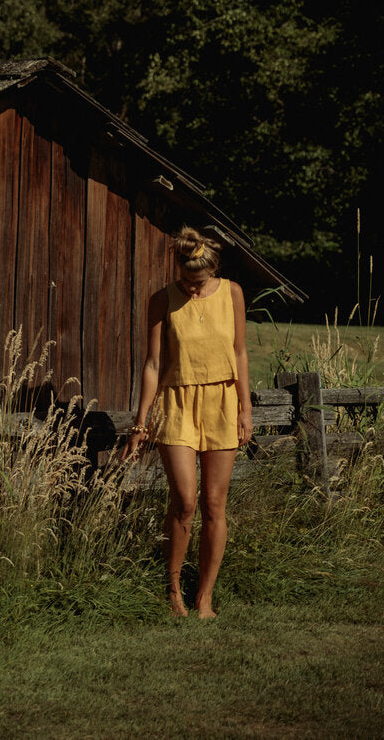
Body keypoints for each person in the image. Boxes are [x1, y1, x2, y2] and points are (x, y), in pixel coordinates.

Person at [120, 226, 253, 618]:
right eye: (187, 280)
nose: (193, 289)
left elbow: (241, 353)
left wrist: (246, 407)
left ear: (212, 271)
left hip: (223, 401)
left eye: (199, 281)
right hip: (176, 404)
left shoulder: (232, 293)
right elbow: (153, 364)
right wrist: (140, 423)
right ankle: (173, 590)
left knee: (215, 503)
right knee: (185, 501)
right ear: (178, 268)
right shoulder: (162, 300)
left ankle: (205, 598)